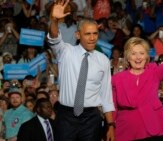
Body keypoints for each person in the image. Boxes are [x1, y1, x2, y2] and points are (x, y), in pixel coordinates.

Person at [48, 0, 115, 141]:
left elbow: (106, 96)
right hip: (66, 117)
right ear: (78, 35)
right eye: (87, 34)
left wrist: (110, 125)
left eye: (95, 34)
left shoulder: (103, 60)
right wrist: (54, 20)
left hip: (91, 119)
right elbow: (54, 38)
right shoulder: (65, 52)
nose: (92, 38)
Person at [112, 26, 163, 140]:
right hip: (126, 130)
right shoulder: (117, 79)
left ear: (147, 56)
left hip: (153, 129)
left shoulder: (154, 72)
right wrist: (111, 126)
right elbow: (113, 107)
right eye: (133, 53)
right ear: (127, 56)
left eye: (142, 53)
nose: (138, 57)